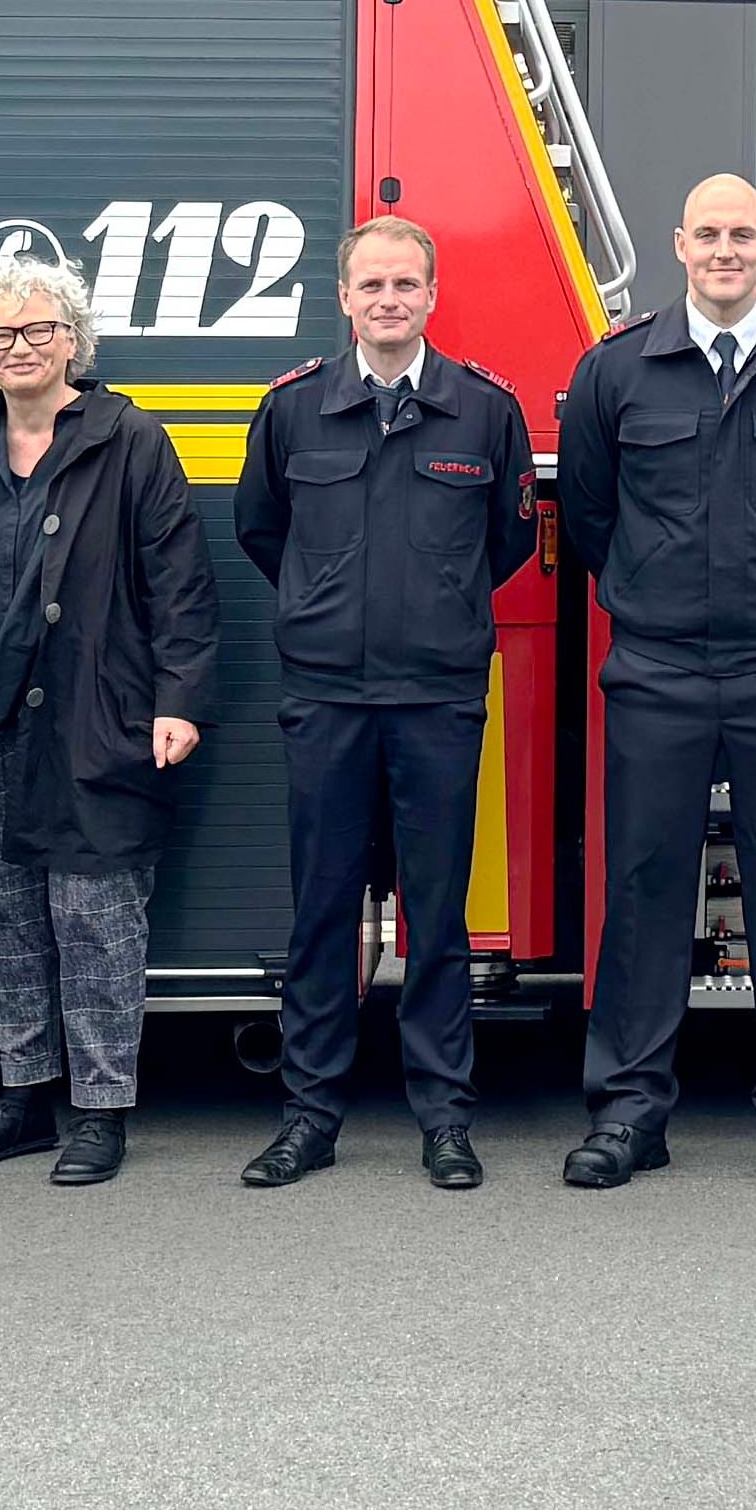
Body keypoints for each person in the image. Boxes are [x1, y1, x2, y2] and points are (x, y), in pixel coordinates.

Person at [554, 173, 756, 1192]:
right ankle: (631, 1109)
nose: (726, 249)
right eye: (709, 233)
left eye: (743, 233)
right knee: (646, 885)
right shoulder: (618, 371)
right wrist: (653, 595)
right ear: (679, 244)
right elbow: (589, 514)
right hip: (656, 665)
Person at [0, 251, 223, 1189]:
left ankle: (102, 1109)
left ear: (72, 340)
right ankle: (24, 1096)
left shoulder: (129, 439)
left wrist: (177, 699)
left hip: (92, 716)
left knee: (96, 910)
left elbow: (181, 583)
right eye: (0, 334)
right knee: (3, 909)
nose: (20, 346)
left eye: (39, 329)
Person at [231, 215, 534, 1193]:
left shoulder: (485, 410)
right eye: (372, 284)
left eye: (406, 283)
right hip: (325, 696)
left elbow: (509, 542)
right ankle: (310, 1114)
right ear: (346, 296)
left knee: (436, 920)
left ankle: (444, 1116)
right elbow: (261, 529)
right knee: (323, 914)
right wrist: (325, 610)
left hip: (439, 697)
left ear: (432, 295)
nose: (389, 299)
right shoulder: (292, 408)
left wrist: (432, 612)